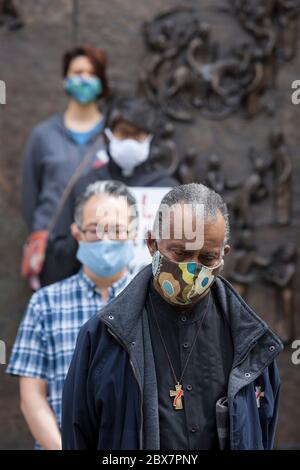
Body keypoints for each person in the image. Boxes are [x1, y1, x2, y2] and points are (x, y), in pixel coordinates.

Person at [62, 183, 283, 450]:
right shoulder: (101, 337)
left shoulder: (253, 342)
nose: (192, 269)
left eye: (207, 258)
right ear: (152, 244)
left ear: (223, 255)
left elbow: (263, 432)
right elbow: (79, 436)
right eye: (180, 254)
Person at [6, 180, 137, 449]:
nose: (107, 240)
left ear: (134, 232)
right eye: (95, 231)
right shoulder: (45, 304)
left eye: (116, 230)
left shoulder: (150, 302)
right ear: (77, 233)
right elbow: (32, 397)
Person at [51, 96, 179, 283]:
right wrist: (87, 237)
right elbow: (59, 250)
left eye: (138, 135)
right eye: (123, 133)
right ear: (108, 134)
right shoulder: (87, 186)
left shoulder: (166, 189)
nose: (130, 142)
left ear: (150, 138)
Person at [21, 44, 109, 288]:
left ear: (102, 81)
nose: (84, 79)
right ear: (65, 79)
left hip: (102, 248)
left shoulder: (110, 137)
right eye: (77, 72)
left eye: (91, 73)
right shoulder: (43, 135)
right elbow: (30, 196)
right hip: (53, 249)